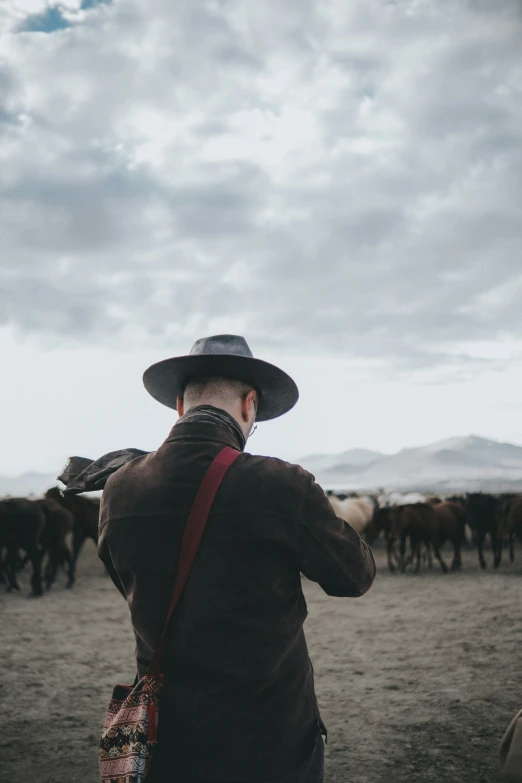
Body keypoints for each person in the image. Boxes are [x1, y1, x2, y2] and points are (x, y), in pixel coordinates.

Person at [97, 334, 376, 783]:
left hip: (167, 736)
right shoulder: (283, 484)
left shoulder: (119, 487)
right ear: (249, 406)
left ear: (179, 407)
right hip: (271, 736)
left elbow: (123, 579)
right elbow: (355, 576)